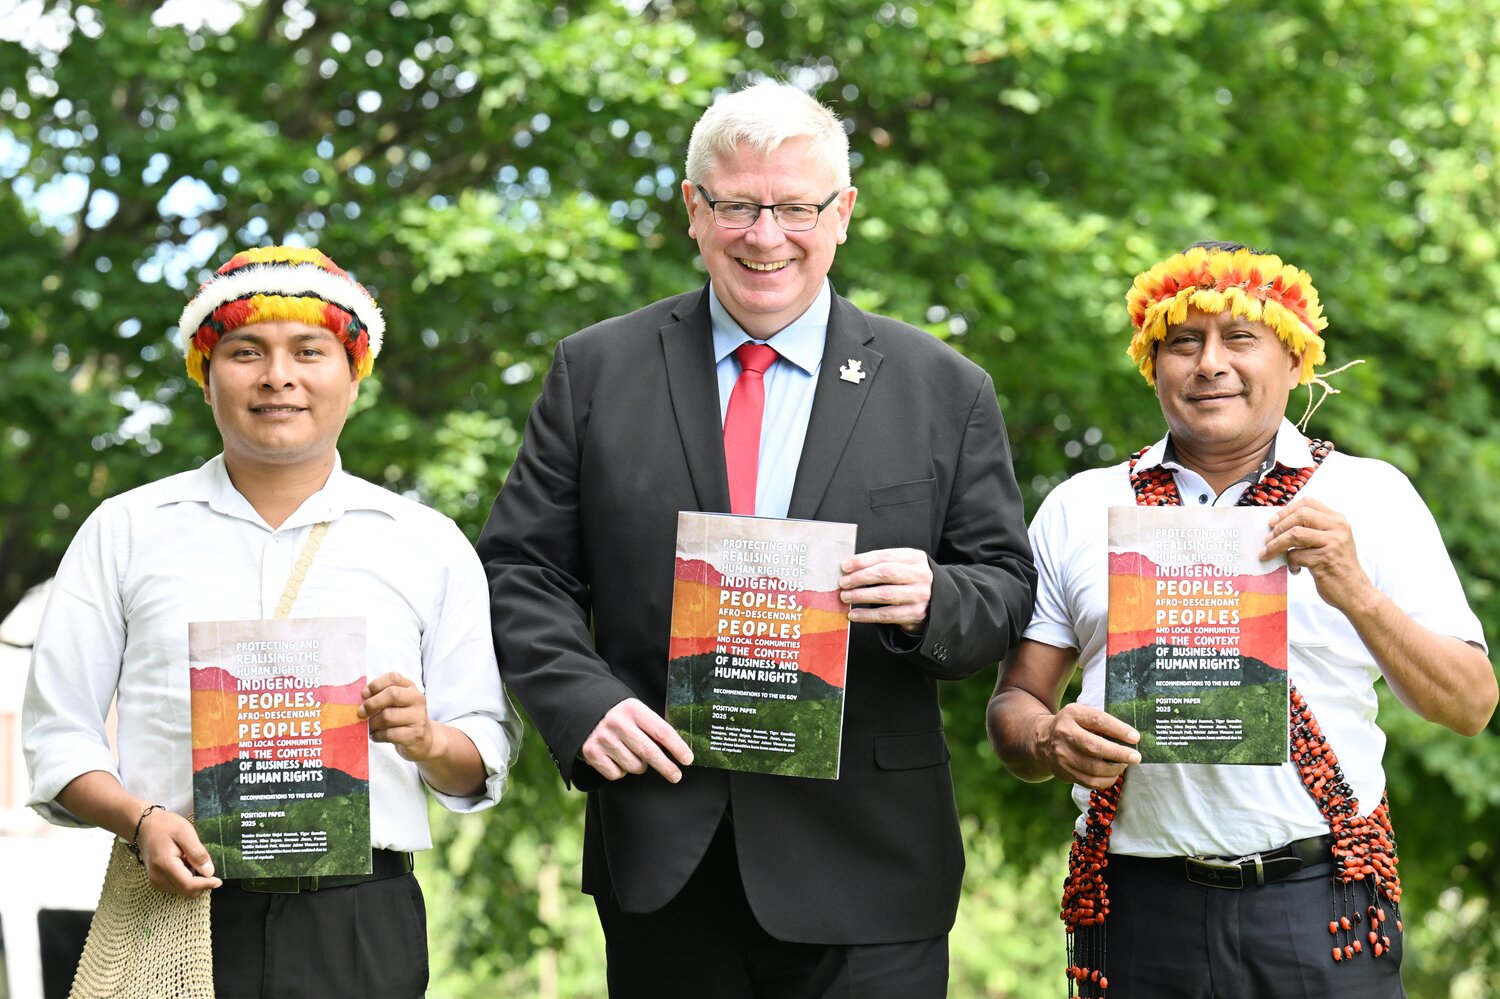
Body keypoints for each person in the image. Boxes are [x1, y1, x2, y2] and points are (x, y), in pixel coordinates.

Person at [478, 81, 1036, 998]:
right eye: (737, 205)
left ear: (843, 213)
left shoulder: (946, 388)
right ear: (694, 211)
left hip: (873, 865)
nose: (765, 234)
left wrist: (937, 598)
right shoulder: (596, 371)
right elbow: (519, 569)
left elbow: (1006, 585)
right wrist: (582, 705)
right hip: (667, 854)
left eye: (795, 207)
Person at [987, 241, 1496, 998]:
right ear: (1151, 363)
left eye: (1240, 338)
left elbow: (1470, 704)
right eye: (1183, 342)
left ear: (1295, 361)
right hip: (1133, 906)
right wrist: (1047, 736)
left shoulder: (1371, 496)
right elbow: (1013, 705)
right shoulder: (1080, 505)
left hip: (1320, 902)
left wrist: (1353, 587)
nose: (1209, 363)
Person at [23, 245, 522, 999]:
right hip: (177, 905)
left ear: (354, 375)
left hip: (359, 922)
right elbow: (59, 734)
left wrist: (426, 738)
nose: (277, 376)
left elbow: (479, 748)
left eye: (309, 351)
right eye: (245, 351)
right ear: (205, 372)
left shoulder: (425, 543)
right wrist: (139, 818)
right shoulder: (126, 530)